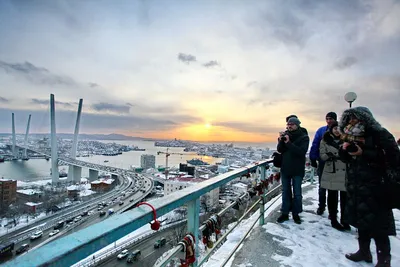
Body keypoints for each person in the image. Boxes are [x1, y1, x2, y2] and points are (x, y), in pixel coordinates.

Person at [338, 107, 398, 267]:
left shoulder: (380, 134)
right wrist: (344, 150)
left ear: (365, 119)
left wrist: (363, 153)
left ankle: (384, 260)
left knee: (379, 226)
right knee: (361, 222)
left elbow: (392, 158)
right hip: (356, 185)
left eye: (355, 118)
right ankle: (364, 252)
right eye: (349, 119)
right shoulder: (349, 136)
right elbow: (344, 158)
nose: (352, 122)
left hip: (376, 186)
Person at [276, 117, 310, 224]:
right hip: (285, 168)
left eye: (292, 124)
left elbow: (301, 151)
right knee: (285, 191)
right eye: (288, 124)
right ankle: (285, 213)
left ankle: (296, 213)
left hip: (297, 169)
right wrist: (281, 141)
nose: (289, 126)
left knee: (297, 193)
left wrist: (289, 143)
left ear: (297, 125)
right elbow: (280, 150)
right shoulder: (286, 135)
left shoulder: (304, 137)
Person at [319, 121, 349, 231]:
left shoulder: (347, 139)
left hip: (344, 170)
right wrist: (328, 156)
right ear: (331, 129)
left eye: (339, 128)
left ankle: (345, 219)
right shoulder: (325, 140)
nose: (337, 130)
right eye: (335, 128)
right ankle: (333, 219)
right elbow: (322, 155)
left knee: (345, 197)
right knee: (332, 196)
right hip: (331, 169)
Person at [309, 112, 337, 215]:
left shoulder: (339, 130)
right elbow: (315, 144)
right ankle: (321, 206)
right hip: (323, 162)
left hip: (336, 164)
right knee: (322, 186)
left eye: (331, 119)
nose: (329, 121)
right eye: (327, 119)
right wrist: (313, 158)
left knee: (334, 188)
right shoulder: (321, 131)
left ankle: (332, 210)